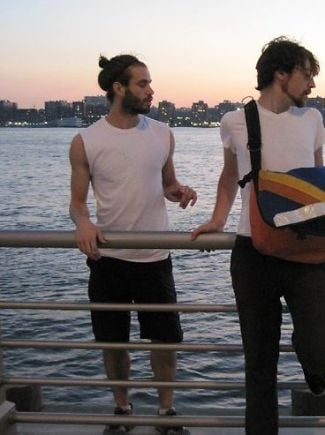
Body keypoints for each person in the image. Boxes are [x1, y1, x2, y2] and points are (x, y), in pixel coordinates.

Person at [191, 36, 325, 434]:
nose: (312, 84)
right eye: (307, 75)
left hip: (307, 248)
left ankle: (312, 359)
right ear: (281, 74)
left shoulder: (311, 119)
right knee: (259, 363)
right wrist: (218, 218)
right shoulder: (235, 121)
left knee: (318, 350)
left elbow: (321, 185)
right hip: (253, 251)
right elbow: (230, 177)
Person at [69, 54, 196, 435]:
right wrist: (84, 222)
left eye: (150, 83)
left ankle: (165, 413)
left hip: (155, 258)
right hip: (108, 258)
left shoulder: (162, 133)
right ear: (118, 88)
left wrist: (180, 191)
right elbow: (77, 203)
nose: (151, 90)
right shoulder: (85, 141)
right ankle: (122, 409)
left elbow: (167, 184)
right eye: (143, 84)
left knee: (165, 340)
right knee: (113, 341)